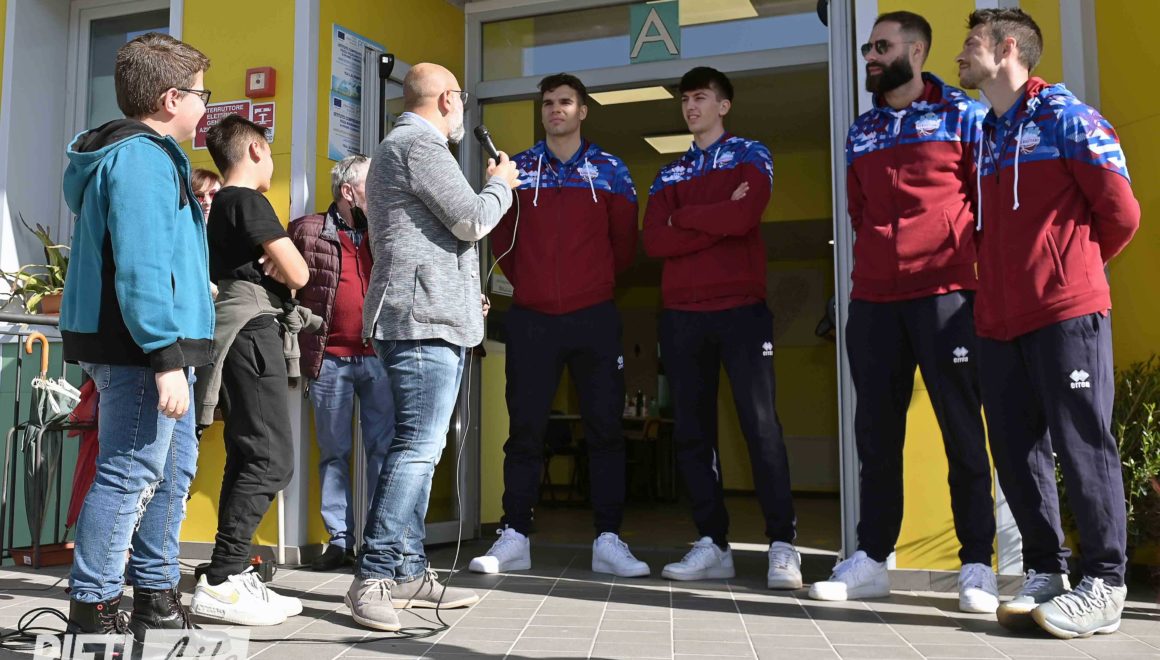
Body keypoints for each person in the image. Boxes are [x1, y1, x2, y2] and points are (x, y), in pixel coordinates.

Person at [956, 7, 1140, 639]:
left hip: (1065, 312)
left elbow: (1121, 213)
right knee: (1015, 449)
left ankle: (1106, 583)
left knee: (1083, 443)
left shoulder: (1069, 118)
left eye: (971, 42)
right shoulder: (985, 133)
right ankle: (1045, 570)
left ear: (1007, 48)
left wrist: (1067, 272)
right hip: (997, 320)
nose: (960, 53)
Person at [807, 11, 999, 613]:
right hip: (874, 302)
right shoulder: (861, 129)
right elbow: (859, 212)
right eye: (867, 47)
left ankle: (977, 564)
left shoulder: (965, 116)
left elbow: (986, 203)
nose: (869, 55)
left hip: (946, 296)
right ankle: (871, 558)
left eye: (880, 46)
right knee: (875, 436)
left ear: (916, 51)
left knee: (961, 431)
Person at [349, 62, 520, 632]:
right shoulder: (420, 145)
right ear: (449, 99)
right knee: (417, 449)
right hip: (421, 320)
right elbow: (471, 220)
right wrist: (502, 184)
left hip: (427, 315)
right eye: (462, 98)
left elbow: (433, 237)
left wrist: (469, 299)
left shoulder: (403, 145)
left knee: (421, 449)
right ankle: (373, 576)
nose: (462, 108)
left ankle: (407, 571)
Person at [59, 32, 213, 643]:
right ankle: (93, 612)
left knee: (171, 472)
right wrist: (163, 356)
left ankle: (156, 597)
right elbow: (143, 266)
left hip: (157, 345)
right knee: (130, 471)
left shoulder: (145, 157)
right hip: (142, 348)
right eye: (203, 95)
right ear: (172, 99)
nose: (205, 106)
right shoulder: (143, 160)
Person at [469, 73, 646, 578]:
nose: (555, 109)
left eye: (565, 102)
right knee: (524, 430)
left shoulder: (611, 169)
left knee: (605, 428)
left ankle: (608, 539)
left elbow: (623, 246)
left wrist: (591, 285)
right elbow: (501, 240)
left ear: (582, 110)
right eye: (548, 102)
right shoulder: (518, 170)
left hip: (595, 316)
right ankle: (515, 535)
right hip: (533, 318)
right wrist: (534, 285)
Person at [642, 66, 801, 589]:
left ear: (723, 105)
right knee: (693, 432)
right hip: (682, 314)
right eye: (685, 99)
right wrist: (714, 216)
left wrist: (684, 218)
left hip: (740, 310)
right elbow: (654, 241)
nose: (691, 107)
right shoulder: (669, 173)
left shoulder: (752, 154)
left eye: (701, 97)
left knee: (761, 426)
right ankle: (713, 543)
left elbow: (744, 217)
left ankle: (783, 544)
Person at [189, 113, 310, 626]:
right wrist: (285, 262)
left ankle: (230, 571)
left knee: (246, 454)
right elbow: (300, 272)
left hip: (238, 331)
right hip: (252, 331)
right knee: (271, 458)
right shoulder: (247, 200)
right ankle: (223, 579)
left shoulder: (221, 206)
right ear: (257, 150)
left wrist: (278, 262)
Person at [289, 155, 394, 572]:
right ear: (348, 191)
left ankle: (379, 541)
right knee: (334, 453)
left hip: (379, 356)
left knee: (383, 451)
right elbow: (282, 286)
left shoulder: (386, 229)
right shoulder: (307, 230)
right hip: (330, 359)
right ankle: (339, 540)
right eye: (373, 182)